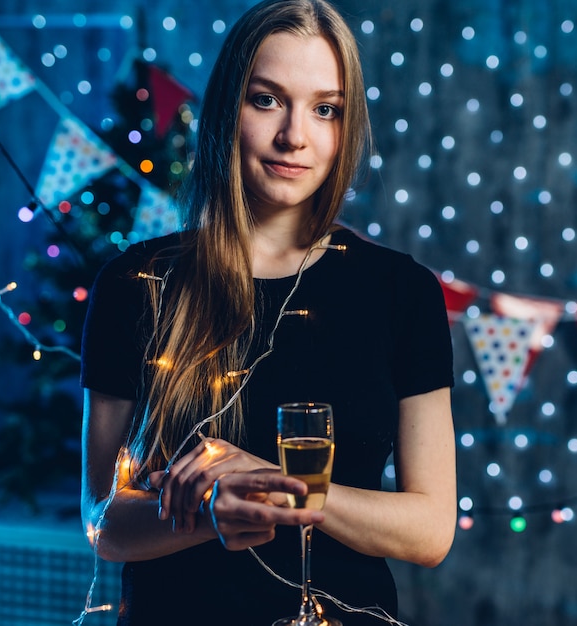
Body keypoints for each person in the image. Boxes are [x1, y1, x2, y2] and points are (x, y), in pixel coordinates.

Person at [80, 0, 457, 623]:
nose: (295, 135)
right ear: (230, 106)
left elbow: (430, 530)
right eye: (266, 99)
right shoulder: (135, 284)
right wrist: (207, 516)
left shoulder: (402, 292)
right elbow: (103, 522)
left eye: (324, 109)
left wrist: (274, 484)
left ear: (346, 124)